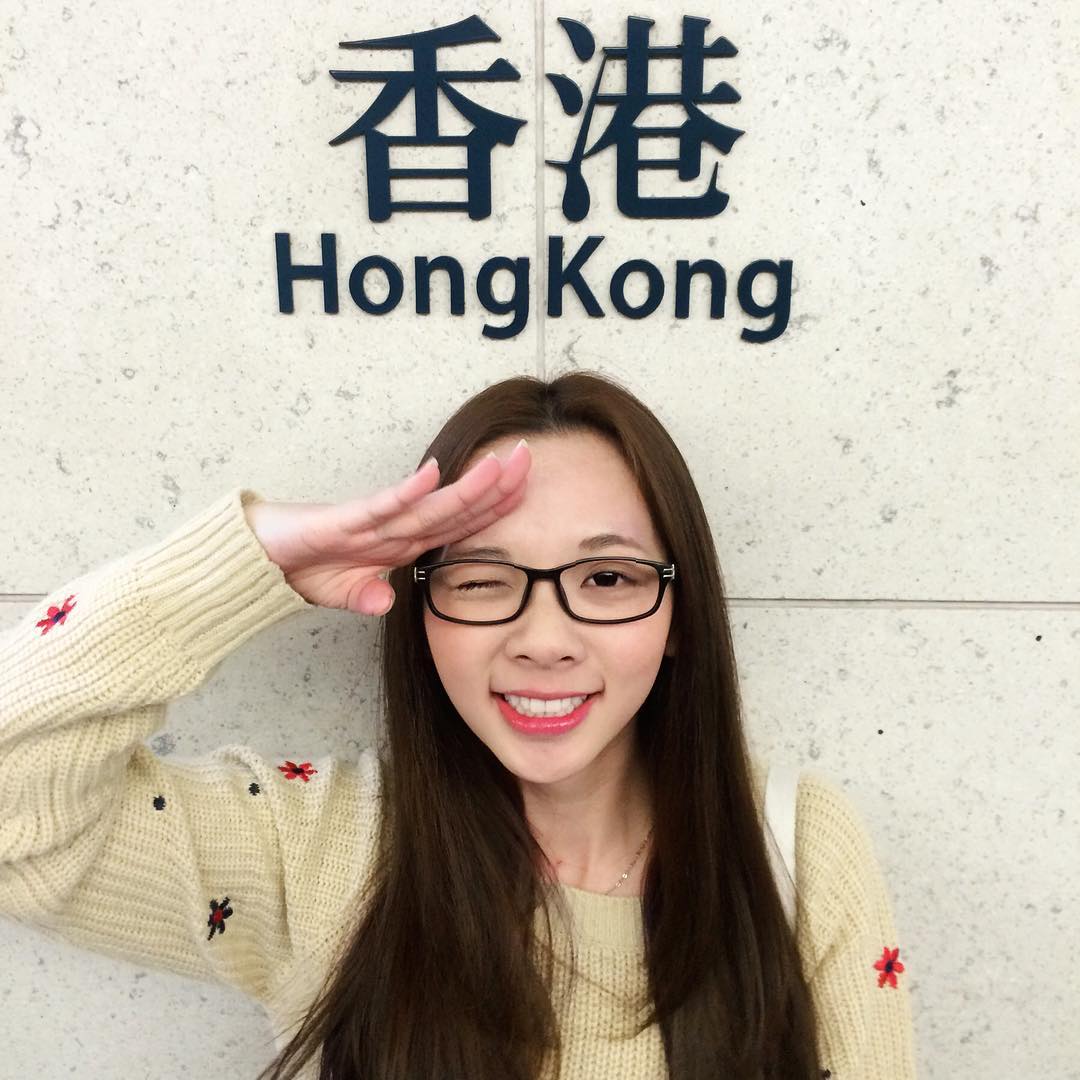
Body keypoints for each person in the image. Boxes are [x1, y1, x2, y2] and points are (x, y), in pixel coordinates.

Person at [0, 370, 916, 1079]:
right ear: (421, 611)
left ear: (680, 619)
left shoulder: (793, 847)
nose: (544, 641)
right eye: (481, 579)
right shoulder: (314, 846)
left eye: (607, 578)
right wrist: (250, 562)